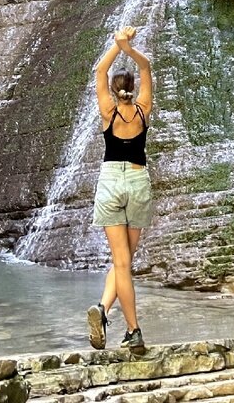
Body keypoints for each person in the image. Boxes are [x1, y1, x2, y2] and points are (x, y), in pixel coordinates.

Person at [87, 25, 153, 354]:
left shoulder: (107, 111)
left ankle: (131, 327)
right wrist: (129, 49)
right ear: (133, 89)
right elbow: (145, 67)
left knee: (121, 262)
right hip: (139, 181)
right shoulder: (142, 110)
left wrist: (116, 45)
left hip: (111, 181)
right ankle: (107, 313)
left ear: (114, 90)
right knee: (126, 260)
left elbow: (99, 69)